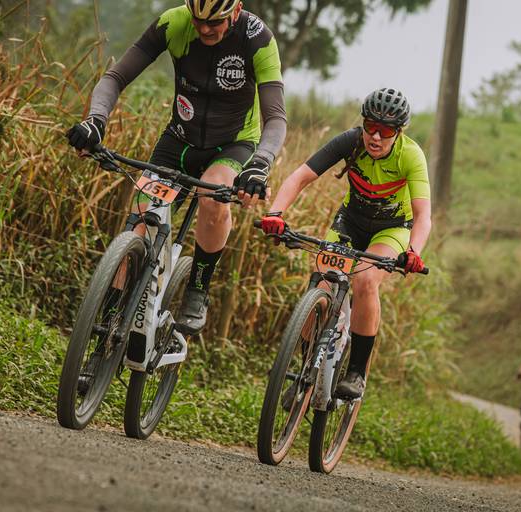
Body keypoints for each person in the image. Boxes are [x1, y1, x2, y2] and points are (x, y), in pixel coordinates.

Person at [66, 0, 286, 335]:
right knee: (140, 224)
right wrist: (96, 121)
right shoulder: (173, 23)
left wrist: (259, 165)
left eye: (215, 22)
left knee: (212, 197)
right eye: (198, 20)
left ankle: (197, 288)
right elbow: (116, 77)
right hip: (179, 141)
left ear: (236, 10)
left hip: (233, 144)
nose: (205, 28)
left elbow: (276, 118)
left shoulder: (257, 38)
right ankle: (107, 318)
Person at [260, 88, 432, 399]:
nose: (375, 136)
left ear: (398, 132)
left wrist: (414, 252)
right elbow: (300, 176)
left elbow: (423, 216)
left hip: (392, 229)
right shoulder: (350, 141)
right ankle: (306, 371)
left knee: (365, 281)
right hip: (350, 222)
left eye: (385, 131)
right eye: (370, 126)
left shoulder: (410, 155)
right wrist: (275, 214)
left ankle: (356, 372)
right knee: (322, 284)